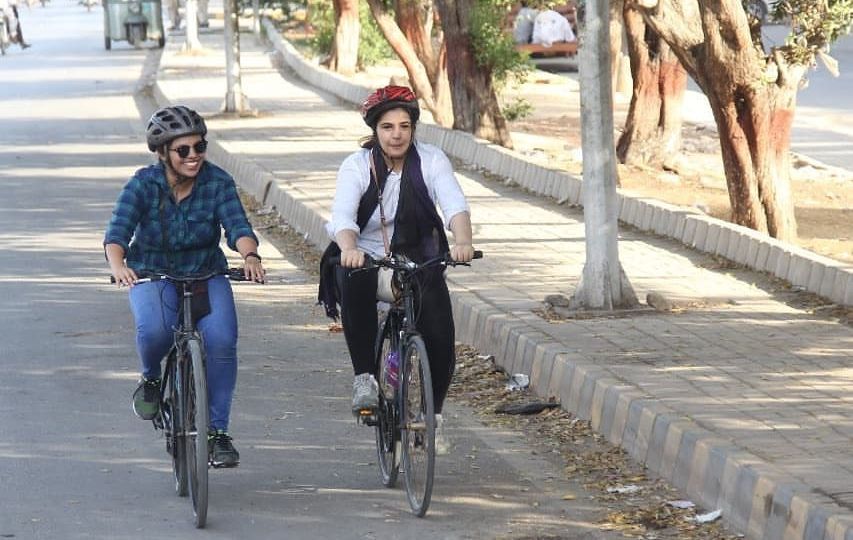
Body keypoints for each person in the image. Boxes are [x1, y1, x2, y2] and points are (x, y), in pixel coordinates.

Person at [104, 105, 265, 468]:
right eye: (184, 150)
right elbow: (117, 233)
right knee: (155, 331)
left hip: (206, 274)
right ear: (163, 153)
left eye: (200, 147)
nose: (194, 156)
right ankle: (150, 378)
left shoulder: (217, 182)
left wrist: (251, 256)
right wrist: (119, 266)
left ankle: (217, 434)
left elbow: (237, 226)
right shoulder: (143, 184)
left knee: (222, 341)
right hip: (153, 273)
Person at [318, 86, 475, 455]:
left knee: (439, 327)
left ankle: (432, 416)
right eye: (387, 127)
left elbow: (454, 204)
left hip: (418, 258)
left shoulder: (432, 160)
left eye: (405, 125)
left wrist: (463, 241)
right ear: (375, 130)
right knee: (352, 276)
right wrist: (350, 248)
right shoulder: (357, 165)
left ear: (414, 128)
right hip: (366, 256)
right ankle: (365, 380)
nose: (397, 134)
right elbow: (342, 215)